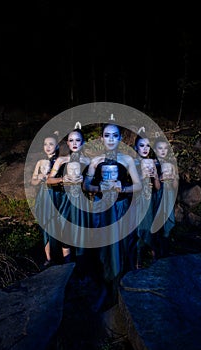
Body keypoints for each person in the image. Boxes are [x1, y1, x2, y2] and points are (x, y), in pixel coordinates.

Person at [83, 123, 141, 309]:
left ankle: (120, 288)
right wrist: (99, 187)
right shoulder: (95, 161)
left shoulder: (127, 160)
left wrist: (123, 188)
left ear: (120, 138)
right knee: (103, 247)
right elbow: (86, 186)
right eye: (107, 135)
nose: (110, 139)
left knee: (121, 247)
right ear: (101, 138)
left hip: (120, 207)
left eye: (114, 135)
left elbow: (138, 185)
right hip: (102, 209)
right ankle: (105, 288)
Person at [46, 126, 90, 266]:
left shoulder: (88, 161)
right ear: (68, 143)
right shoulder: (61, 160)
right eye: (71, 140)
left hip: (82, 201)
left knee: (82, 235)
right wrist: (62, 180)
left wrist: (85, 183)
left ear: (83, 142)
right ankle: (66, 267)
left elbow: (90, 186)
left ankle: (81, 269)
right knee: (65, 234)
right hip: (66, 201)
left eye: (78, 140)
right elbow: (48, 180)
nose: (75, 143)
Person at [130, 132, 160, 269]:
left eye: (148, 145)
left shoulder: (152, 162)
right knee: (137, 232)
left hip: (150, 201)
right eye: (141, 145)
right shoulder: (132, 163)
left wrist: (155, 177)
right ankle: (137, 264)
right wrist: (142, 175)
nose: (145, 148)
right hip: (136, 201)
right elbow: (130, 185)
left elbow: (158, 188)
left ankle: (155, 263)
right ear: (136, 148)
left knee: (151, 230)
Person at [31, 131, 60, 267]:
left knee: (57, 225)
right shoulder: (40, 161)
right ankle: (48, 258)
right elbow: (33, 182)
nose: (48, 147)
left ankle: (59, 255)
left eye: (51, 144)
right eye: (45, 144)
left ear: (57, 145)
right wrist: (40, 178)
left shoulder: (60, 161)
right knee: (45, 226)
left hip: (56, 195)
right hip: (43, 196)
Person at [152, 136, 178, 258]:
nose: (162, 151)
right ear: (155, 150)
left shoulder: (172, 164)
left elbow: (175, 186)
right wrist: (157, 177)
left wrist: (173, 177)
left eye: (165, 148)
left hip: (169, 195)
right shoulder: (153, 164)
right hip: (158, 196)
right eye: (159, 148)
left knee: (167, 225)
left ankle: (165, 253)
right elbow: (156, 187)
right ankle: (156, 253)